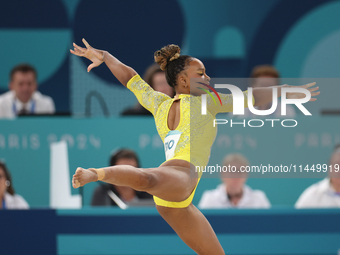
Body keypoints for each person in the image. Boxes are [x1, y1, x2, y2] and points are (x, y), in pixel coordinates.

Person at [70, 39, 319, 254]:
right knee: (147, 179)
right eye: (201, 73)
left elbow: (130, 78)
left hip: (179, 201)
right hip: (177, 175)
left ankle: (103, 174)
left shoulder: (160, 103)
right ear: (182, 80)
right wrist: (287, 91)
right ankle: (96, 173)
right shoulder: (205, 103)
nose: (207, 77)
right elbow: (252, 97)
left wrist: (105, 56)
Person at [198, 154, 270, 209]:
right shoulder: (210, 199)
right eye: (231, 171)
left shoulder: (259, 199)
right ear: (222, 173)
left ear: (246, 174)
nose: (235, 176)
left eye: (239, 171)